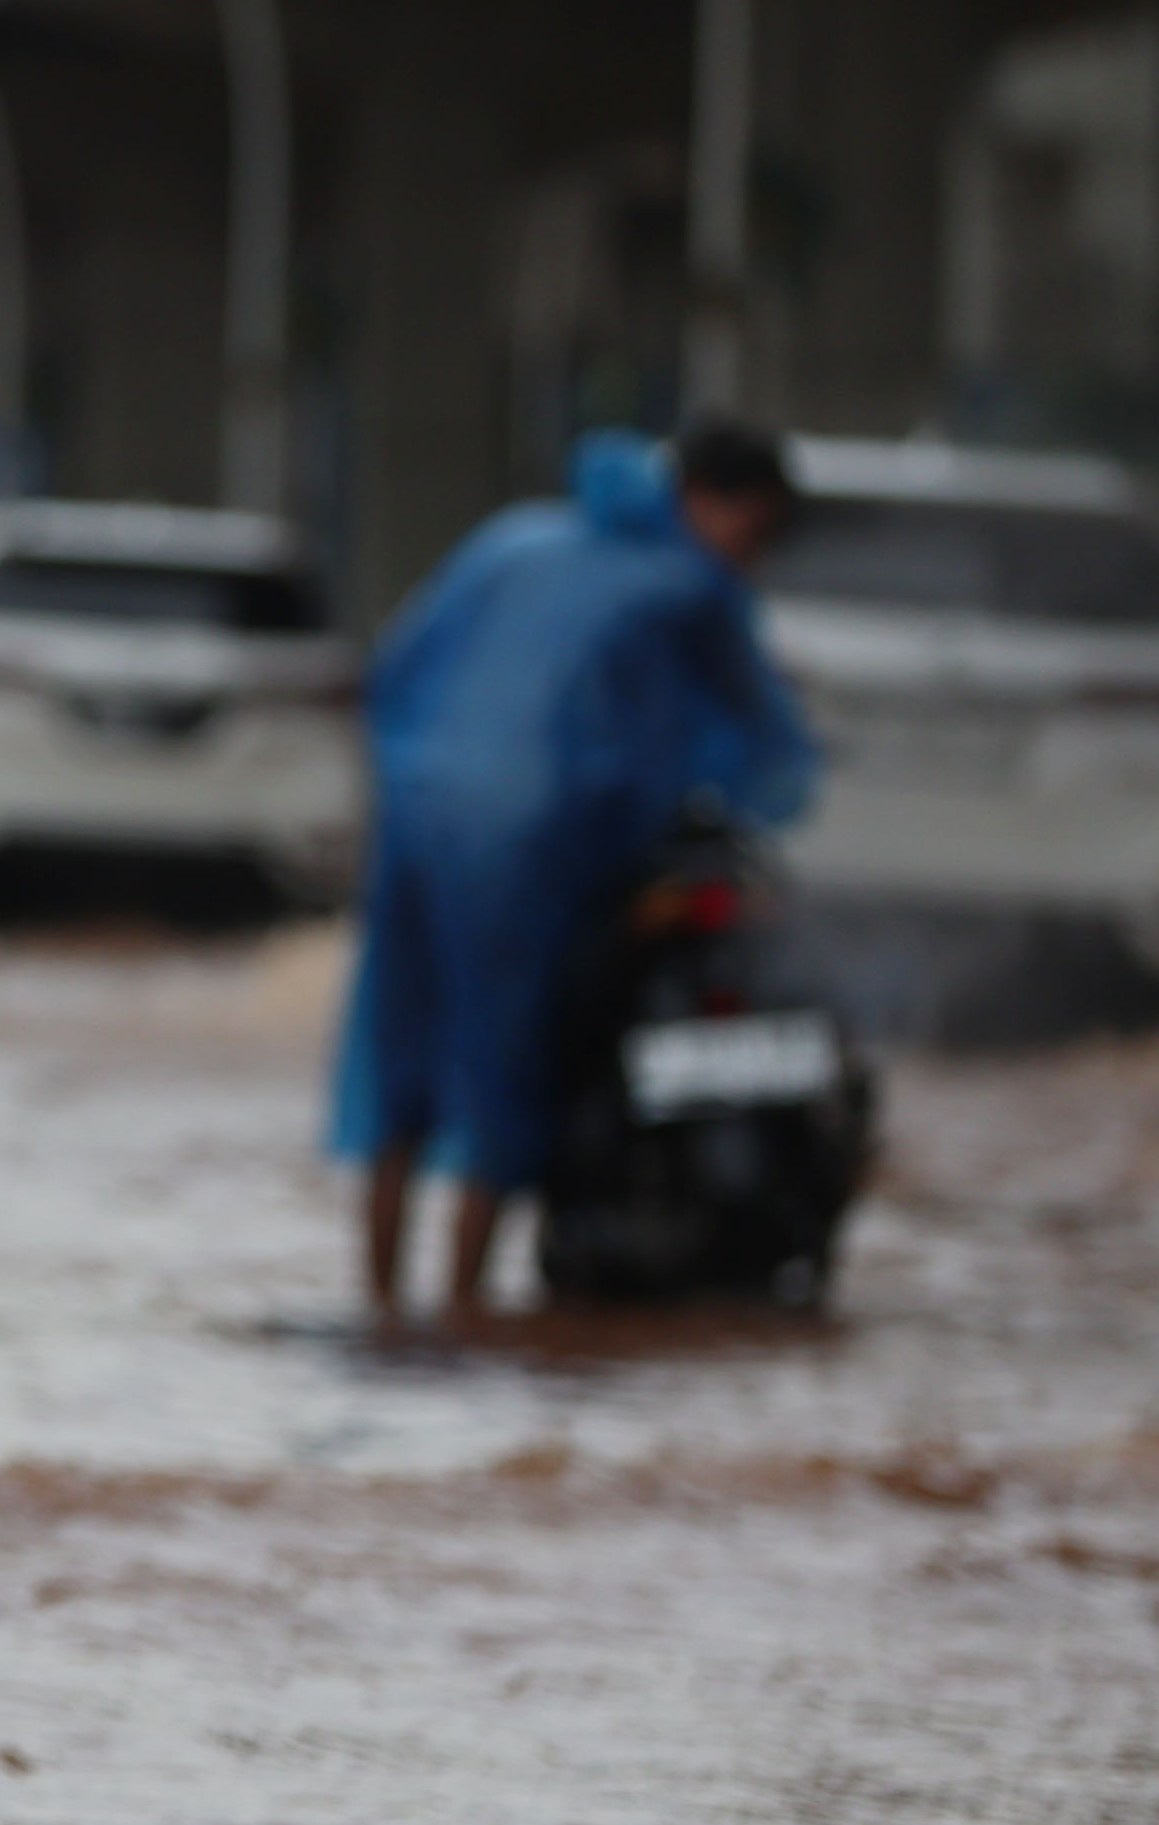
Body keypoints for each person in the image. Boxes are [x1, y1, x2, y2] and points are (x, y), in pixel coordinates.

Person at [331, 415, 818, 1320]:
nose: (753, 554)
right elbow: (769, 748)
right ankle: (465, 1315)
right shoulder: (694, 585)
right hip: (533, 842)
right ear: (723, 506)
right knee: (502, 1074)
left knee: (393, 1065)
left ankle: (380, 1314)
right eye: (757, 531)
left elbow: (393, 668)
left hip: (412, 816)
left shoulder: (511, 537)